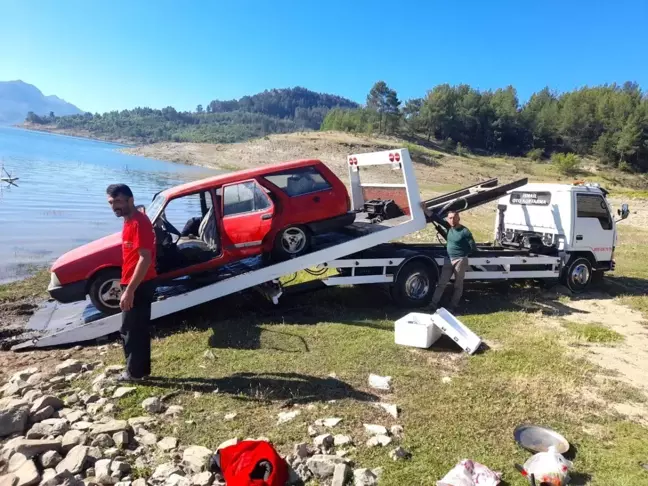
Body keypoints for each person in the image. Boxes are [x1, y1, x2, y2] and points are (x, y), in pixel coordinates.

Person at [106, 183, 157, 382]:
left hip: (140, 284)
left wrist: (130, 291)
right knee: (138, 328)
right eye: (111, 202)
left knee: (130, 329)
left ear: (130, 200)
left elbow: (145, 258)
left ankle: (133, 374)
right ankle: (140, 371)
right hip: (134, 281)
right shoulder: (128, 220)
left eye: (118, 201)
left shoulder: (139, 222)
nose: (114, 206)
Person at [430, 210, 477, 311]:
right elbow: (436, 218)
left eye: (454, 218)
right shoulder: (448, 227)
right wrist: (425, 209)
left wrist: (463, 254)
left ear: (458, 219)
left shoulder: (465, 231)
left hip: (460, 260)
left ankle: (452, 306)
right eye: (450, 218)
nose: (452, 220)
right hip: (448, 259)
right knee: (441, 283)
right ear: (448, 219)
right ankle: (432, 305)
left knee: (458, 285)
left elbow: (473, 247)